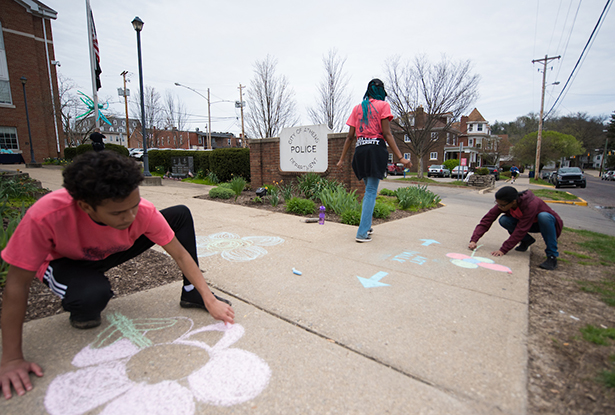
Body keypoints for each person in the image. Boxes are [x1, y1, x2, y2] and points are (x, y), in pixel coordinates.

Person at [0, 150, 234, 399]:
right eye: (118, 213)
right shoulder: (46, 216)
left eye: (133, 206)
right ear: (85, 206)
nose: (129, 217)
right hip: (65, 263)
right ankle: (82, 302)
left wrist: (208, 298)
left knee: (180, 213)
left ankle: (191, 294)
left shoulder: (140, 212)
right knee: (93, 295)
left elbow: (181, 255)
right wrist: (12, 358)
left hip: (107, 250)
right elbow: (16, 284)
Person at [337, 79, 411, 242]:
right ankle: (362, 233)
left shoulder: (357, 108)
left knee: (368, 189)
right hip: (375, 150)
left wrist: (342, 159)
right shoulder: (383, 106)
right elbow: (387, 134)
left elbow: (350, 137)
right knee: (370, 191)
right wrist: (400, 157)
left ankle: (367, 225)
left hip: (360, 151)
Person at [468, 186, 563, 270]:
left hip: (545, 224)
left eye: (502, 205)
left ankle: (552, 256)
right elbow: (487, 220)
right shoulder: (505, 203)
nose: (499, 207)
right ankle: (526, 241)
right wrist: (474, 240)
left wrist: (503, 249)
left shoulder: (530, 204)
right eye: (498, 204)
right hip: (527, 223)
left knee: (544, 217)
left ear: (513, 202)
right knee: (504, 220)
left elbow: (521, 229)